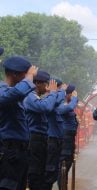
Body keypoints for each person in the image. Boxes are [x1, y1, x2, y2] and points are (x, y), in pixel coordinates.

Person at [0, 56, 37, 190]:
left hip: (19, 152)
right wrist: (29, 79)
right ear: (15, 74)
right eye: (24, 75)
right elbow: (13, 94)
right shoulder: (3, 90)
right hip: (8, 152)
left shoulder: (15, 94)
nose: (27, 78)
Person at [24, 70, 58, 190]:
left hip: (41, 140)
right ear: (37, 83)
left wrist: (51, 94)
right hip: (34, 140)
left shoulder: (38, 97)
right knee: (36, 173)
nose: (47, 87)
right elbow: (46, 107)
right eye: (46, 84)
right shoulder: (29, 97)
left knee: (43, 173)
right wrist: (53, 93)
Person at [57, 84, 78, 190]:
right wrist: (75, 99)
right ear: (68, 94)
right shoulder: (61, 104)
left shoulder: (69, 104)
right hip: (64, 139)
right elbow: (68, 108)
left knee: (68, 164)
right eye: (72, 93)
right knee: (62, 167)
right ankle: (62, 187)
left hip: (70, 140)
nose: (74, 95)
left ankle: (64, 186)